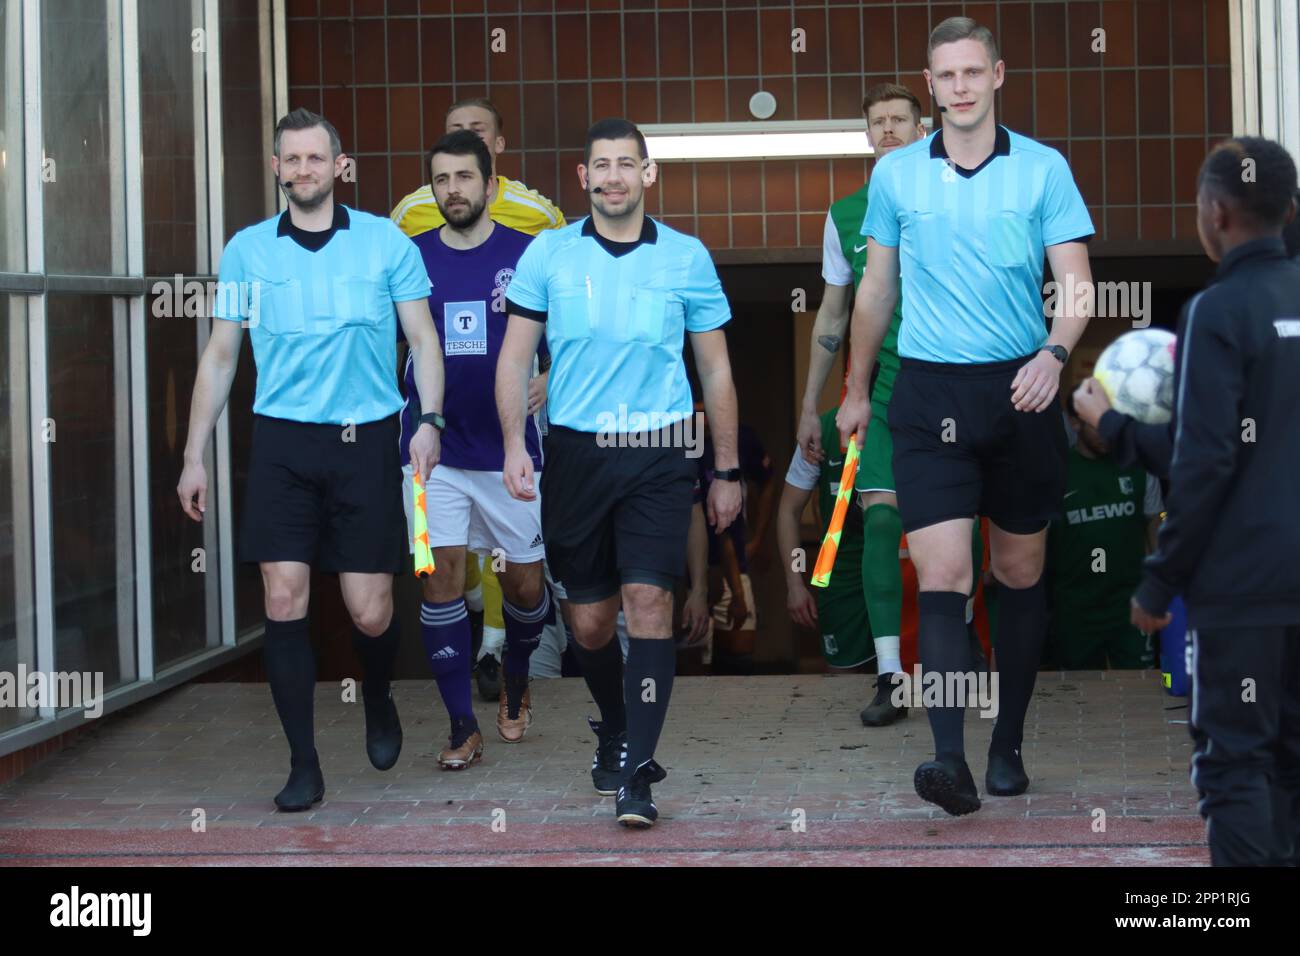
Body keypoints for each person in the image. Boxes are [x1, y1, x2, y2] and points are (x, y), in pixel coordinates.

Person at [838, 17, 1096, 815]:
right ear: (930, 84)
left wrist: (1054, 356)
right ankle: (949, 759)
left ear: (998, 75)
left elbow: (1077, 286)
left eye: (972, 73)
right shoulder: (897, 176)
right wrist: (853, 389)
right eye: (945, 75)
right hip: (927, 394)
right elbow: (875, 291)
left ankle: (1006, 743)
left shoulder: (1044, 169)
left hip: (1020, 390)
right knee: (944, 576)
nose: (959, 87)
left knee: (1016, 573)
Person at [177, 109, 443, 811]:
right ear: (276, 170)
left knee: (371, 611)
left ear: (339, 165)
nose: (303, 170)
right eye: (290, 160)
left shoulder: (386, 243)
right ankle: (303, 765)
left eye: (315, 159)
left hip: (366, 439)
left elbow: (423, 338)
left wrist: (429, 421)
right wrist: (193, 454)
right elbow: (222, 353)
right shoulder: (246, 251)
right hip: (283, 444)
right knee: (284, 597)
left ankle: (378, 698)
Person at [497, 118, 741, 827]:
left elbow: (716, 366)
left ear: (648, 174)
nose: (613, 177)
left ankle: (639, 773)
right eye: (600, 165)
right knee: (591, 623)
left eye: (626, 165)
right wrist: (517, 444)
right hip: (575, 452)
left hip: (659, 453)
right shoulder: (548, 254)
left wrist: (725, 469)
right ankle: (614, 721)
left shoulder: (687, 258)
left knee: (648, 605)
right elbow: (515, 359)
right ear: (583, 178)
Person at [1090, 138, 1300, 866]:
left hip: (1243, 591)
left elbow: (1205, 458)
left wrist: (1159, 579)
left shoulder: (1216, 312)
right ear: (1290, 210)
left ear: (1213, 213)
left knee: (1236, 763)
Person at [797, 82, 983, 726]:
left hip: (956, 383)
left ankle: (961, 650)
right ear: (867, 135)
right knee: (878, 522)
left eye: (900, 119)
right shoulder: (845, 213)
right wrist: (809, 404)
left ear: (923, 124)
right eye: (877, 122)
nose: (889, 131)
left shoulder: (957, 190)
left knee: (963, 524)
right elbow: (833, 312)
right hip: (878, 392)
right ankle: (888, 675)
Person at [392, 97, 566, 701]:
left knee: (522, 584)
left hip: (510, 449)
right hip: (430, 446)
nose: (452, 189)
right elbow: (393, 341)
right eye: (441, 179)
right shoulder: (409, 254)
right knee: (435, 575)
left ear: (491, 183)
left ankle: (514, 677)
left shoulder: (530, 251)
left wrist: (556, 375)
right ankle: (461, 725)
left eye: (464, 177)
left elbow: (572, 329)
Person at [1045, 397, 1162, 669]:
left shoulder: (1138, 466)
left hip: (1131, 605)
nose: (1107, 433)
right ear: (1075, 423)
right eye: (1097, 425)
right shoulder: (1057, 474)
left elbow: (1155, 526)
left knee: (1142, 689)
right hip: (1074, 609)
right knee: (1076, 695)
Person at [779, 405, 874, 672]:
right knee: (842, 684)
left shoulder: (905, 419)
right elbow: (789, 512)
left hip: (897, 567)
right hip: (838, 574)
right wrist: (795, 582)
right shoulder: (820, 429)